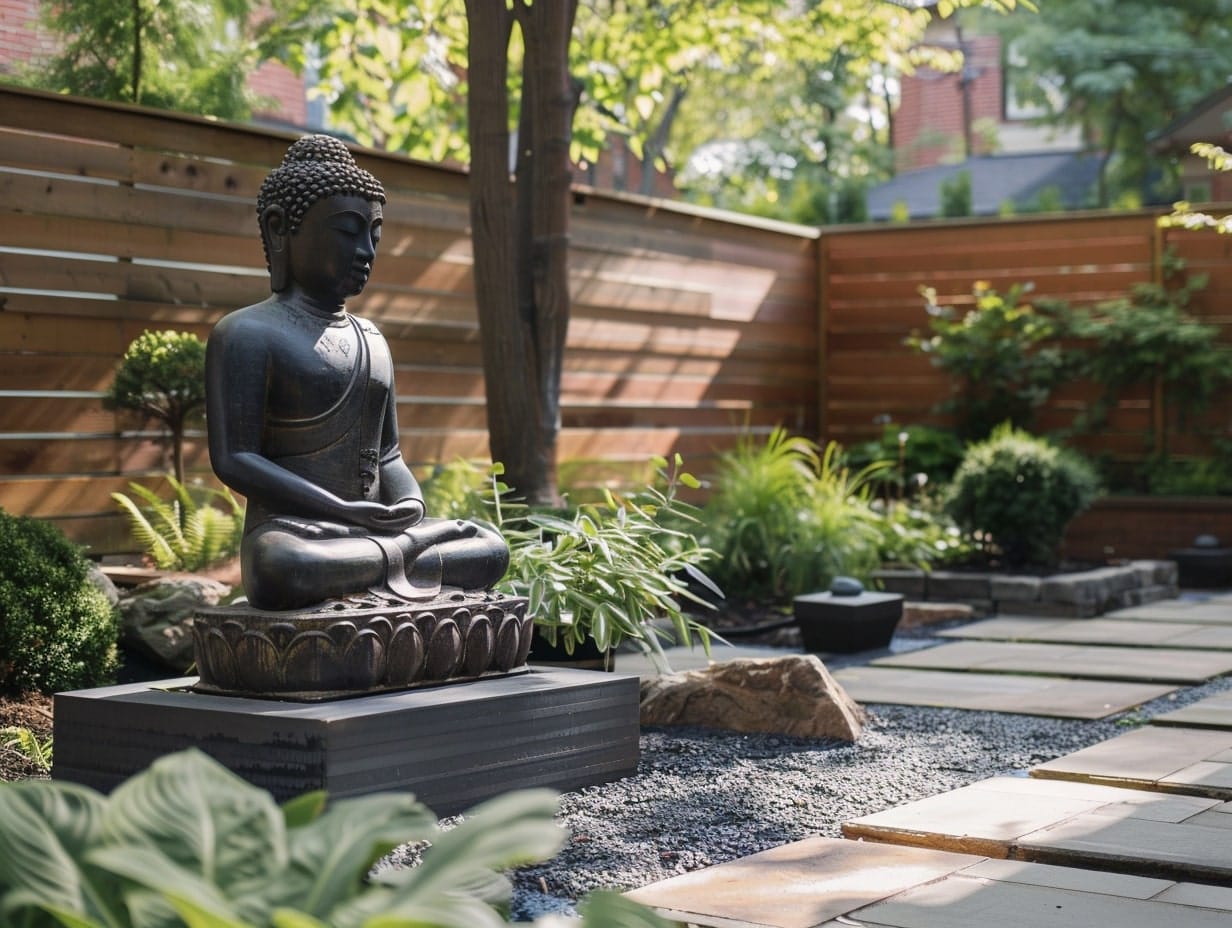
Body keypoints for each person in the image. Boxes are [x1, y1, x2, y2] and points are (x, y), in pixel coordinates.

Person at [205, 135, 508, 611]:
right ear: (280, 227)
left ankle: (387, 561)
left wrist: (410, 505)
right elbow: (235, 459)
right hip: (299, 533)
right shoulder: (246, 333)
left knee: (488, 546)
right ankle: (398, 564)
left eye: (375, 235)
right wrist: (342, 510)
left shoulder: (372, 339)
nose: (366, 250)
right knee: (280, 567)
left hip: (365, 534)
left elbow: (387, 456)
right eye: (348, 232)